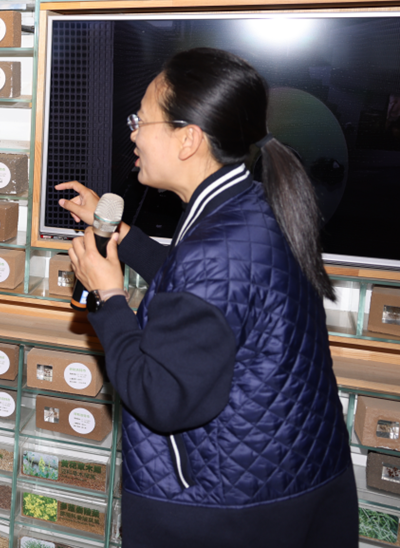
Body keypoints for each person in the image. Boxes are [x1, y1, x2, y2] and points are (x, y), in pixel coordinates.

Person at [58, 48, 357, 548]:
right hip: (292, 478)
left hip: (227, 511)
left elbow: (160, 397)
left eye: (141, 121)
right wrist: (121, 235)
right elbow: (202, 291)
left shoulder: (215, 248)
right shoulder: (251, 202)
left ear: (188, 139)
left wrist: (108, 295)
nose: (132, 134)